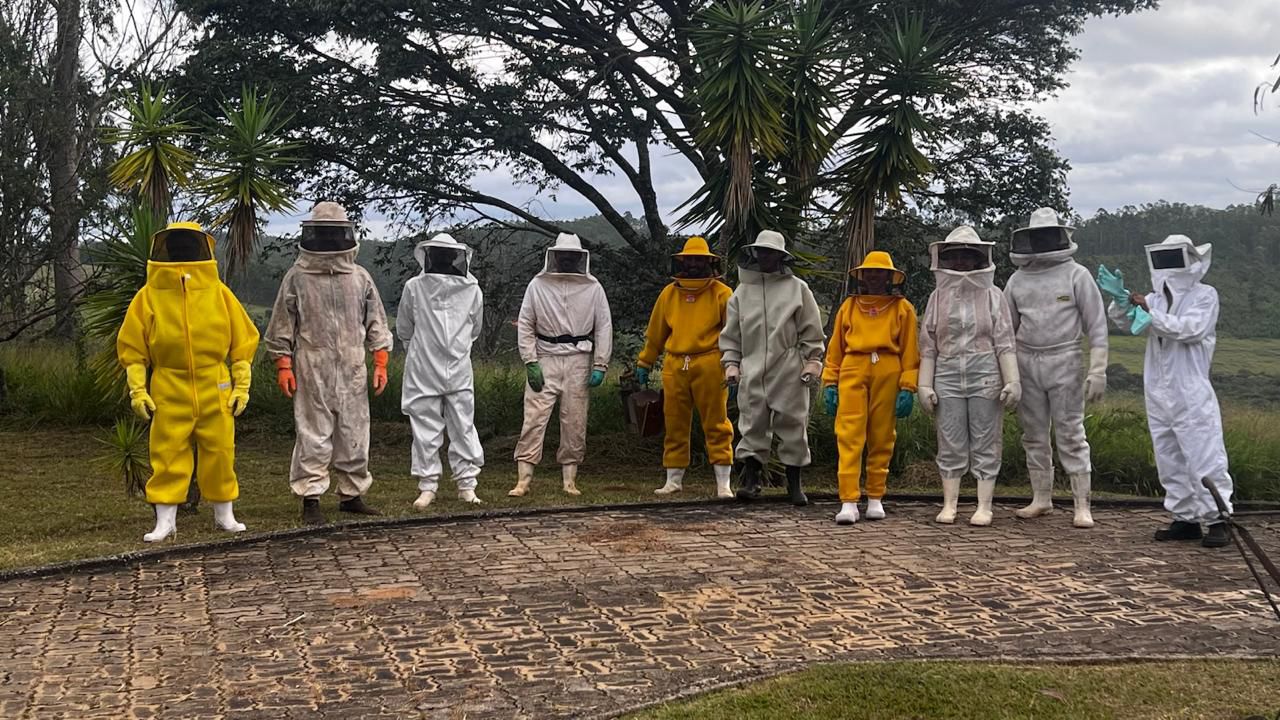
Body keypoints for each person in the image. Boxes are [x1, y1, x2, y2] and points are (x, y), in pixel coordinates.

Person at [117, 221, 259, 542]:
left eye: (187, 244)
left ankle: (225, 515)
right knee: (167, 453)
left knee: (220, 451)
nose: (182, 250)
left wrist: (241, 385)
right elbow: (133, 350)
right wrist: (138, 390)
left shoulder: (220, 294)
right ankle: (165, 521)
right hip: (169, 385)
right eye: (177, 244)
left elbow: (243, 343)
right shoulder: (148, 296)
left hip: (215, 384)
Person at [264, 202, 392, 526]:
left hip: (352, 364)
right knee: (313, 431)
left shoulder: (359, 277)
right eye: (325, 233)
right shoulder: (297, 277)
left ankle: (352, 495)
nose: (330, 240)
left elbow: (376, 320)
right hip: (312, 363)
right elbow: (282, 324)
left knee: (355, 430)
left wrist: (380, 360)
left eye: (334, 233)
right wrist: (283, 364)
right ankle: (311, 498)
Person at [1103, 236, 1233, 548]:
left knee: (1204, 453)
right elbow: (1127, 323)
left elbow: (1190, 329)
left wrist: (1148, 311)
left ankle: (1218, 519)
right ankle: (1185, 518)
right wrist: (1121, 301)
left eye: (1175, 257)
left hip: (1190, 389)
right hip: (1158, 388)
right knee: (1168, 454)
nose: (1170, 264)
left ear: (1191, 259)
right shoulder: (1155, 298)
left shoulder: (1205, 295)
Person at [1004, 207, 1108, 528]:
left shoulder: (1077, 275)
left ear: (1059, 236)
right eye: (1038, 236)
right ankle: (1041, 498)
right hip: (1026, 360)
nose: (1043, 241)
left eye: (1048, 235)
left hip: (1065, 359)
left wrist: (1098, 369)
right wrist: (1007, 374)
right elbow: (1006, 330)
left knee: (1071, 432)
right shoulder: (1017, 279)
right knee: (1033, 433)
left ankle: (1082, 505)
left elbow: (1097, 325)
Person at [918, 227, 1020, 526]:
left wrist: (1012, 380)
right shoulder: (937, 297)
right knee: (949, 439)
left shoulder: (993, 294)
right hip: (947, 373)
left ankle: (984, 506)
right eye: (955, 255)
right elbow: (928, 343)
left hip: (985, 372)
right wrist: (924, 384)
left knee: (986, 439)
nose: (961, 261)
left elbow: (1004, 341)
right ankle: (949, 504)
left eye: (967, 255)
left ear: (978, 259)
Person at [720, 230, 825, 505]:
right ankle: (751, 482)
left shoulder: (798, 288)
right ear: (754, 253)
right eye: (762, 251)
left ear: (780, 256)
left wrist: (813, 360)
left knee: (793, 424)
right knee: (752, 423)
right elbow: (732, 334)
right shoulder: (742, 292)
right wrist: (731, 363)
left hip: (788, 366)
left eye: (771, 252)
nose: (765, 256)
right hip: (752, 364)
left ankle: (794, 485)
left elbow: (811, 328)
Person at [508, 233, 613, 497]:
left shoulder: (593, 287)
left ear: (579, 258)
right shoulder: (538, 285)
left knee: (575, 420)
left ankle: (569, 481)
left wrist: (600, 364)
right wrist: (530, 361)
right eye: (563, 254)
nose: (566, 259)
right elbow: (526, 323)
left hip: (579, 359)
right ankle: (523, 480)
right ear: (554, 256)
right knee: (533, 418)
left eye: (571, 255)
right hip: (545, 357)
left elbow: (603, 326)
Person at [823, 251, 920, 525]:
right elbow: (836, 347)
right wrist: (830, 382)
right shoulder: (849, 306)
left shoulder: (903, 308)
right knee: (848, 433)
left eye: (880, 272)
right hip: (853, 366)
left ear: (890, 277)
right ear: (863, 276)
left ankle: (876, 496)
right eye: (870, 272)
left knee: (882, 434)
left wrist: (908, 386)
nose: (875, 277)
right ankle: (849, 500)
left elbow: (911, 351)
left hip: (888, 367)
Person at [635, 236, 735, 498]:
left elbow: (734, 334)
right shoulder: (669, 293)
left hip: (711, 361)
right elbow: (656, 332)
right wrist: (645, 361)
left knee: (717, 422)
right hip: (675, 363)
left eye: (698, 260)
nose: (693, 264)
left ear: (709, 263)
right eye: (689, 259)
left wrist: (734, 366)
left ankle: (723, 484)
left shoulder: (722, 293)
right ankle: (673, 480)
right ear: (681, 261)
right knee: (674, 421)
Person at [398, 233, 485, 509]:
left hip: (458, 368)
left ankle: (467, 485)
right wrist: (423, 350)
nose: (444, 260)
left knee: (463, 425)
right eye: (441, 255)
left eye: (447, 255)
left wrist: (453, 349)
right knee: (425, 427)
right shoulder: (414, 287)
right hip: (423, 367)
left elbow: (474, 328)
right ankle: (427, 486)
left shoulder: (472, 289)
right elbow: (405, 327)